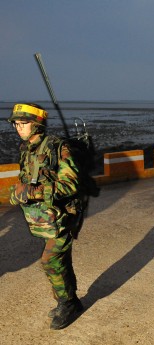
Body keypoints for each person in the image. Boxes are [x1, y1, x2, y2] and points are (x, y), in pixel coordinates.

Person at [8, 103, 83, 330]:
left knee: (50, 260)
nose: (18, 128)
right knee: (61, 261)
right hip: (46, 218)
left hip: (64, 217)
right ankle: (71, 301)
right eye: (16, 124)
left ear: (37, 124)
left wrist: (30, 192)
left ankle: (66, 303)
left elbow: (70, 184)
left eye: (23, 123)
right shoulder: (26, 149)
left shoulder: (58, 147)